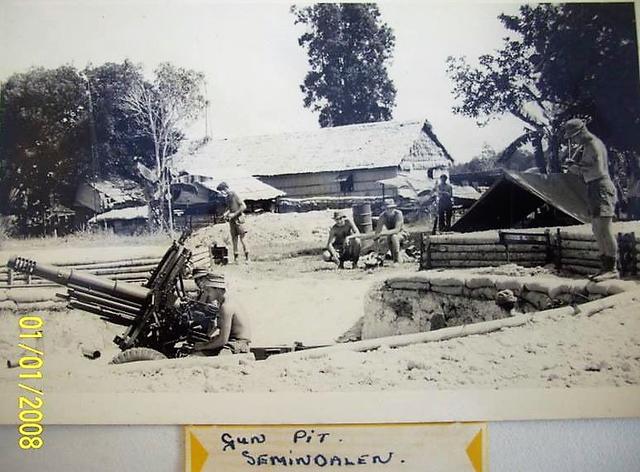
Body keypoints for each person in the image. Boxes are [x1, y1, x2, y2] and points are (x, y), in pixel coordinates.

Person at [563, 118, 618, 280]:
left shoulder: (593, 144)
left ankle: (612, 269)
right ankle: (605, 266)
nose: (572, 141)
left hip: (601, 186)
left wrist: (577, 168)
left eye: (573, 137)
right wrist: (577, 166)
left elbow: (599, 170)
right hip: (594, 188)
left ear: (581, 132)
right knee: (596, 229)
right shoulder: (586, 146)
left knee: (604, 228)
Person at [190, 270, 252, 356]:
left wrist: (202, 346)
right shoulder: (223, 302)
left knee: (197, 356)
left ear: (218, 289)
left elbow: (223, 340)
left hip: (238, 343)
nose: (206, 293)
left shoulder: (226, 306)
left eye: (208, 290)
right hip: (232, 341)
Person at [217, 181, 250, 263]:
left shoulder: (234, 194)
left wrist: (234, 214)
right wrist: (225, 214)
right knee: (234, 239)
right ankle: (236, 259)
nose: (221, 193)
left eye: (221, 191)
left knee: (243, 239)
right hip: (232, 221)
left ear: (225, 189)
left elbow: (243, 206)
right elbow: (229, 209)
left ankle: (247, 258)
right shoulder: (227, 197)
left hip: (239, 220)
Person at [374, 199, 405, 263]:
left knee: (394, 237)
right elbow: (377, 231)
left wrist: (382, 233)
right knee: (384, 240)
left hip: (401, 233)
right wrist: (376, 243)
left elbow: (397, 230)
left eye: (391, 208)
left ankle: (396, 260)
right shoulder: (382, 216)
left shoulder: (398, 214)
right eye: (387, 208)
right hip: (389, 235)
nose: (390, 210)